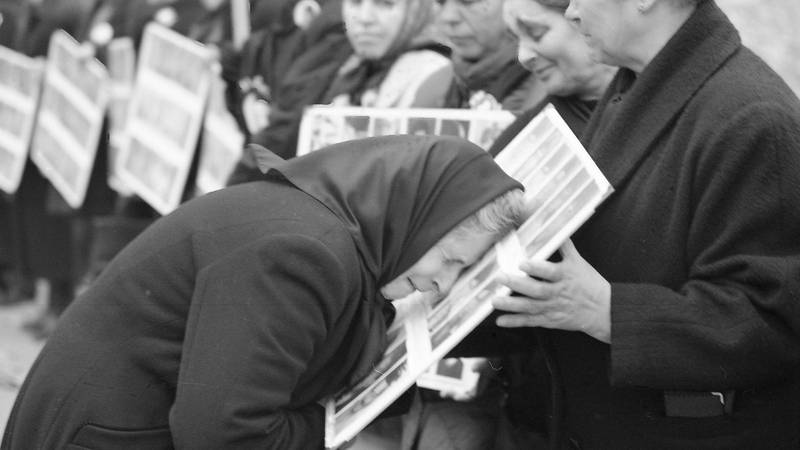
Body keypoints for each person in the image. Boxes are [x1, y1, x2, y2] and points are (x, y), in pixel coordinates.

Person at [1, 135, 525, 449]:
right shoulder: (303, 254)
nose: (442, 284)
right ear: (419, 216)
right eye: (450, 259)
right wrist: (329, 429)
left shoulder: (334, 235)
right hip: (103, 435)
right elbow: (223, 436)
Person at [491, 0, 800, 448]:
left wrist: (607, 311)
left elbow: (770, 322)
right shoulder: (634, 86)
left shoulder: (754, 118)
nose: (573, 13)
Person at [400, 1, 617, 448]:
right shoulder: (539, 124)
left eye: (536, 33)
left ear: (585, 18)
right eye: (516, 36)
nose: (523, 55)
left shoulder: (673, 122)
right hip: (529, 391)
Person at [226, 0, 454, 184]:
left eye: (385, 4)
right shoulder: (354, 65)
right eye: (355, 3)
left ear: (418, 9)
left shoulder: (432, 75)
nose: (365, 18)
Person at [437, 0, 546, 113]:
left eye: (468, 1)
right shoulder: (436, 86)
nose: (448, 16)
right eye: (440, 2)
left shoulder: (553, 85)